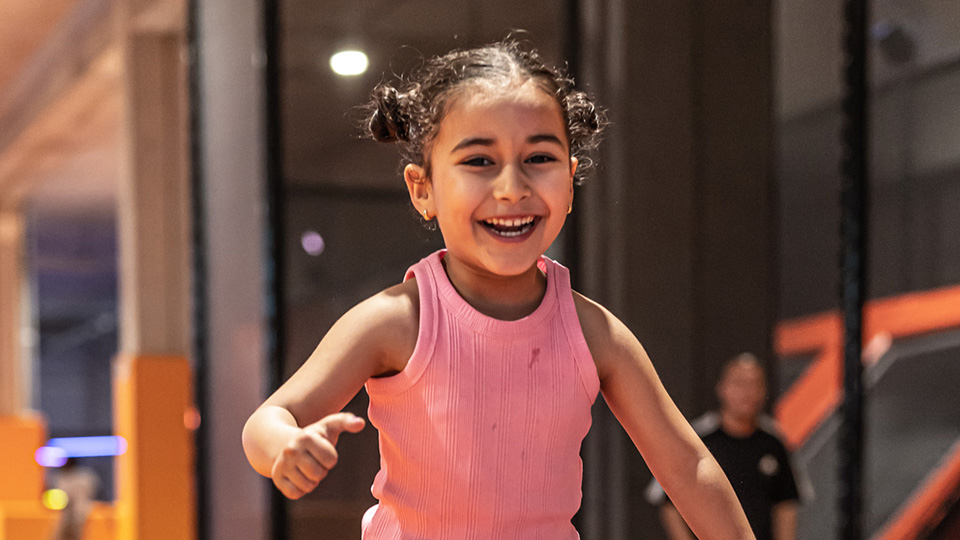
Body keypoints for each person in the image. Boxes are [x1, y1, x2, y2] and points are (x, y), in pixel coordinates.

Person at [242, 39, 754, 540]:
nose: (512, 187)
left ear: (571, 181)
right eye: (480, 162)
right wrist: (287, 444)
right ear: (423, 189)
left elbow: (688, 467)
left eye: (540, 158)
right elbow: (269, 419)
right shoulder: (397, 321)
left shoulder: (594, 332)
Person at [646, 353, 802, 540]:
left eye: (754, 384)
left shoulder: (774, 442)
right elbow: (667, 501)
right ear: (722, 388)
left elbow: (785, 504)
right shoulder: (698, 439)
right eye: (739, 383)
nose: (747, 391)